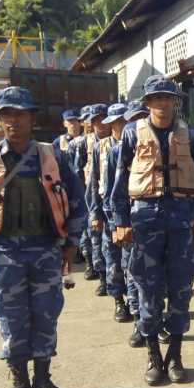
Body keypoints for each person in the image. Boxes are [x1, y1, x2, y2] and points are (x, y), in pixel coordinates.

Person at [0, 86, 86, 388]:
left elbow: (76, 199)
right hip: (4, 254)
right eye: (6, 115)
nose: (13, 120)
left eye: (20, 113)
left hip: (45, 251)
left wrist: (71, 244)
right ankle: (19, 383)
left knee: (45, 314)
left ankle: (43, 380)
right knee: (11, 319)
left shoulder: (53, 156)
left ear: (32, 117)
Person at [112, 75, 194, 385]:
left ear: (175, 102)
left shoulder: (192, 136)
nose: (162, 103)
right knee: (148, 288)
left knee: (181, 289)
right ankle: (154, 356)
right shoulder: (132, 134)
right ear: (147, 103)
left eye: (167, 98)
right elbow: (118, 183)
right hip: (145, 220)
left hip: (182, 221)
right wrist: (120, 221)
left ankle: (176, 356)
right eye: (156, 98)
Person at [90, 102, 131, 321]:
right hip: (109, 211)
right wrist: (95, 213)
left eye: (124, 121)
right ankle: (119, 301)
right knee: (113, 258)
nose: (121, 126)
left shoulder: (136, 143)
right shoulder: (101, 147)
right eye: (116, 122)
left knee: (132, 261)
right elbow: (95, 183)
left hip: (132, 210)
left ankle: (135, 302)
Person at [118, 99, 149, 347]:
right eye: (134, 118)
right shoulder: (121, 150)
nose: (139, 122)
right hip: (130, 220)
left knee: (158, 278)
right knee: (134, 273)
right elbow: (112, 189)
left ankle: (155, 322)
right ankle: (139, 321)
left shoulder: (162, 144)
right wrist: (117, 221)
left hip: (153, 221)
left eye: (143, 116)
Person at [72, 105, 99, 280]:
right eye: (87, 119)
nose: (89, 122)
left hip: (101, 192)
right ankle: (90, 263)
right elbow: (76, 170)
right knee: (87, 233)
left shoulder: (110, 140)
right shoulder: (80, 143)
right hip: (85, 193)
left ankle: (99, 267)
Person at [85, 104, 109, 296]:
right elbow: (82, 174)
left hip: (113, 200)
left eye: (103, 119)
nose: (100, 124)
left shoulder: (122, 141)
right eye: (96, 120)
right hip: (93, 198)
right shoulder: (83, 144)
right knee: (96, 242)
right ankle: (102, 278)